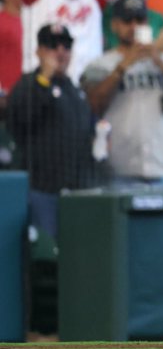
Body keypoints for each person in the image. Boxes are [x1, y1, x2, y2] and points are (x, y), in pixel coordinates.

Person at [82, 0, 163, 190]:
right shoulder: (101, 64)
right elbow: (94, 103)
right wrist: (125, 64)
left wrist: (158, 60)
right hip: (118, 170)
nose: (134, 26)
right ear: (115, 25)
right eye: (127, 21)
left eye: (140, 20)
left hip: (160, 167)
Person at [5, 24, 98, 236]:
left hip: (76, 192)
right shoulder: (28, 84)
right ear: (39, 51)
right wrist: (44, 78)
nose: (60, 52)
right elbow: (19, 120)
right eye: (52, 46)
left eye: (66, 46)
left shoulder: (74, 90)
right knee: (45, 257)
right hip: (41, 191)